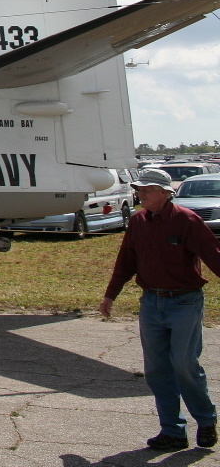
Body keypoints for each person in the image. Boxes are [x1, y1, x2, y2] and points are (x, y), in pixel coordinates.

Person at [100, 167, 220, 451]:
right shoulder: (138, 221)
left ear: (166, 194)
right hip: (151, 303)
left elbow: (214, 256)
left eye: (147, 190)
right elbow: (126, 261)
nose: (140, 194)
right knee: (156, 369)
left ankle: (205, 421)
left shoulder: (187, 221)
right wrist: (110, 295)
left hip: (184, 302)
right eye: (139, 190)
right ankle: (173, 431)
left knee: (184, 364)